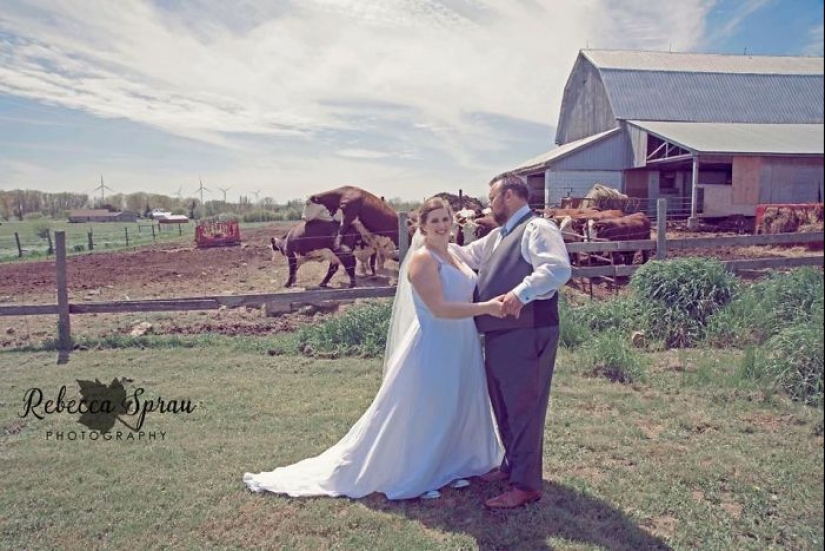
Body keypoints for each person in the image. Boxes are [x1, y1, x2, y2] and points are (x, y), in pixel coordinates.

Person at [243, 197, 505, 500]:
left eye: (445, 219)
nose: (442, 225)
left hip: (463, 343)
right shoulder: (423, 260)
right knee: (432, 406)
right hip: (436, 343)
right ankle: (419, 469)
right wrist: (486, 308)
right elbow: (439, 308)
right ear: (422, 226)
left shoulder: (455, 255)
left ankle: (453, 462)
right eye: (434, 221)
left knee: (459, 401)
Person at [453, 174, 572, 509]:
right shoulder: (495, 238)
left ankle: (526, 486)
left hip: (528, 331)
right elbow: (462, 255)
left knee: (524, 409)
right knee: (504, 405)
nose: (489, 204)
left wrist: (521, 294)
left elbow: (557, 270)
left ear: (507, 196)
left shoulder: (538, 229)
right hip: (500, 334)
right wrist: (429, 236)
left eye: (492, 197)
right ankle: (512, 466)